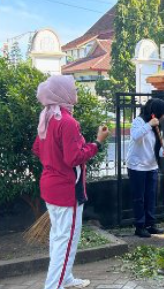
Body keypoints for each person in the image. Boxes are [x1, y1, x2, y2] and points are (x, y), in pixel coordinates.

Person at [32, 75, 110, 289]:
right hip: (67, 190)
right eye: (72, 88)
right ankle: (54, 285)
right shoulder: (67, 121)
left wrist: (53, 162)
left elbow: (38, 149)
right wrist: (97, 143)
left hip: (51, 186)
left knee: (60, 238)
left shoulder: (47, 117)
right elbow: (73, 158)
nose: (75, 91)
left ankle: (64, 278)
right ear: (62, 93)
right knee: (65, 241)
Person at [128, 97, 164, 238]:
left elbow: (157, 146)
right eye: (163, 113)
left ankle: (150, 224)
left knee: (151, 196)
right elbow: (135, 136)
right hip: (137, 166)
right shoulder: (138, 122)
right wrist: (149, 124)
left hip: (151, 166)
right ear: (155, 113)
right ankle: (140, 226)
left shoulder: (158, 127)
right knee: (139, 198)